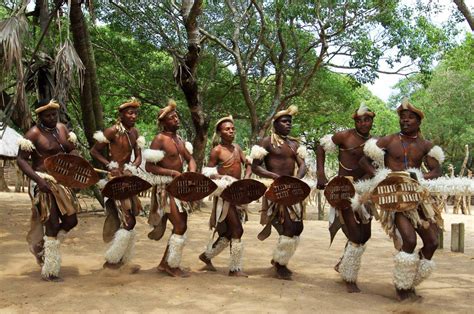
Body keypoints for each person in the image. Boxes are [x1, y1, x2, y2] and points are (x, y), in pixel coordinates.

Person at [360, 99, 444, 300]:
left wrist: (421, 177)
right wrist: (382, 177)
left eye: (410, 118)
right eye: (402, 118)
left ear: (418, 122)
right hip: (395, 199)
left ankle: (409, 279)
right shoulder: (389, 140)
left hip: (418, 198)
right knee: (409, 240)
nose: (405, 121)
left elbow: (436, 169)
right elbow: (364, 161)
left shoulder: (425, 145)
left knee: (432, 242)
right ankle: (402, 288)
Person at [17, 99, 80, 281]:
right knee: (51, 223)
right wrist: (38, 179)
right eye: (48, 115)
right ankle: (50, 270)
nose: (52, 118)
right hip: (43, 181)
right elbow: (21, 160)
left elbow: (71, 151)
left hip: (62, 181)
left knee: (71, 220)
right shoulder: (33, 134)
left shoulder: (62, 129)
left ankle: (42, 247)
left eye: (54, 114)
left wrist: (75, 160)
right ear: (40, 117)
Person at [316, 103, 376, 293]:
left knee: (365, 235)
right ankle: (349, 277)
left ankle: (343, 264)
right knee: (355, 234)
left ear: (372, 121)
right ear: (355, 121)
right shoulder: (344, 136)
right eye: (359, 120)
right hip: (343, 189)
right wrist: (320, 174)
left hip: (364, 190)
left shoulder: (376, 142)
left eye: (367, 120)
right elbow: (321, 147)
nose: (363, 123)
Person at [251, 105, 307, 280]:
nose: (288, 124)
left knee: (298, 227)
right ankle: (280, 265)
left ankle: (279, 260)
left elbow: (303, 164)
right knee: (289, 227)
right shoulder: (266, 142)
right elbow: (255, 167)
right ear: (275, 124)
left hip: (292, 188)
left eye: (290, 122)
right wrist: (275, 176)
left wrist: (296, 178)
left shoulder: (293, 143)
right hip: (275, 189)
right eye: (284, 121)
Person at [90, 98, 145, 271]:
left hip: (127, 179)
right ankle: (111, 262)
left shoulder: (135, 132)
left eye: (135, 113)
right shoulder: (112, 130)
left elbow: (138, 157)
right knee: (128, 220)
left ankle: (120, 259)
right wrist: (109, 165)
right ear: (121, 115)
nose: (133, 116)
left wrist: (132, 167)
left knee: (131, 219)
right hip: (114, 180)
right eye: (130, 112)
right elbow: (94, 151)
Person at [144, 99, 196, 277]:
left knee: (182, 225)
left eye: (177, 117)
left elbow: (190, 159)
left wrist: (191, 173)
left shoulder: (179, 139)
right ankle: (172, 266)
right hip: (166, 188)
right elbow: (149, 167)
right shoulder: (159, 139)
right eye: (172, 118)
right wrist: (172, 173)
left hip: (180, 187)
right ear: (163, 121)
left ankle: (164, 263)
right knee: (180, 225)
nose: (176, 120)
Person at [199, 115, 252, 277]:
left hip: (237, 193)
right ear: (219, 133)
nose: (231, 131)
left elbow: (248, 164)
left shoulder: (237, 148)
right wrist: (223, 179)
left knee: (229, 232)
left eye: (232, 129)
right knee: (237, 229)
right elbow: (208, 172)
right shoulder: (217, 150)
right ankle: (235, 269)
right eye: (227, 129)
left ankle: (206, 256)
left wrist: (246, 178)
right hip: (224, 194)